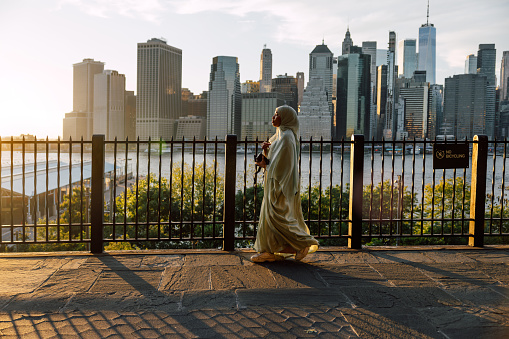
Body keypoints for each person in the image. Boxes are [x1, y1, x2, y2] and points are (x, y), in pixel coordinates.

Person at [251, 105, 319, 263]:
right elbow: (274, 160)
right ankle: (268, 251)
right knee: (269, 219)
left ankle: (303, 244)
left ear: (286, 118)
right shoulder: (278, 136)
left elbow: (284, 166)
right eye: (274, 114)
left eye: (277, 114)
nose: (273, 117)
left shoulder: (287, 137)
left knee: (279, 218)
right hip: (273, 183)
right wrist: (265, 152)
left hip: (282, 186)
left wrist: (265, 166)